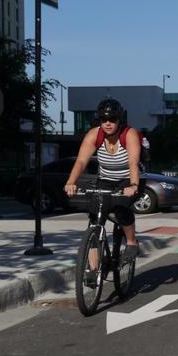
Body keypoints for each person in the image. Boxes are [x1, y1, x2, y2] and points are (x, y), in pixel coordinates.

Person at [65, 98, 141, 262]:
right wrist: (71, 182)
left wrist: (133, 185)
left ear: (119, 119)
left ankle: (132, 242)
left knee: (121, 208)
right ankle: (93, 269)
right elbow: (81, 161)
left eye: (112, 119)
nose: (108, 123)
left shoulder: (129, 134)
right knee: (95, 219)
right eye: (103, 119)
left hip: (126, 179)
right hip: (105, 179)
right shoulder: (94, 134)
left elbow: (133, 163)